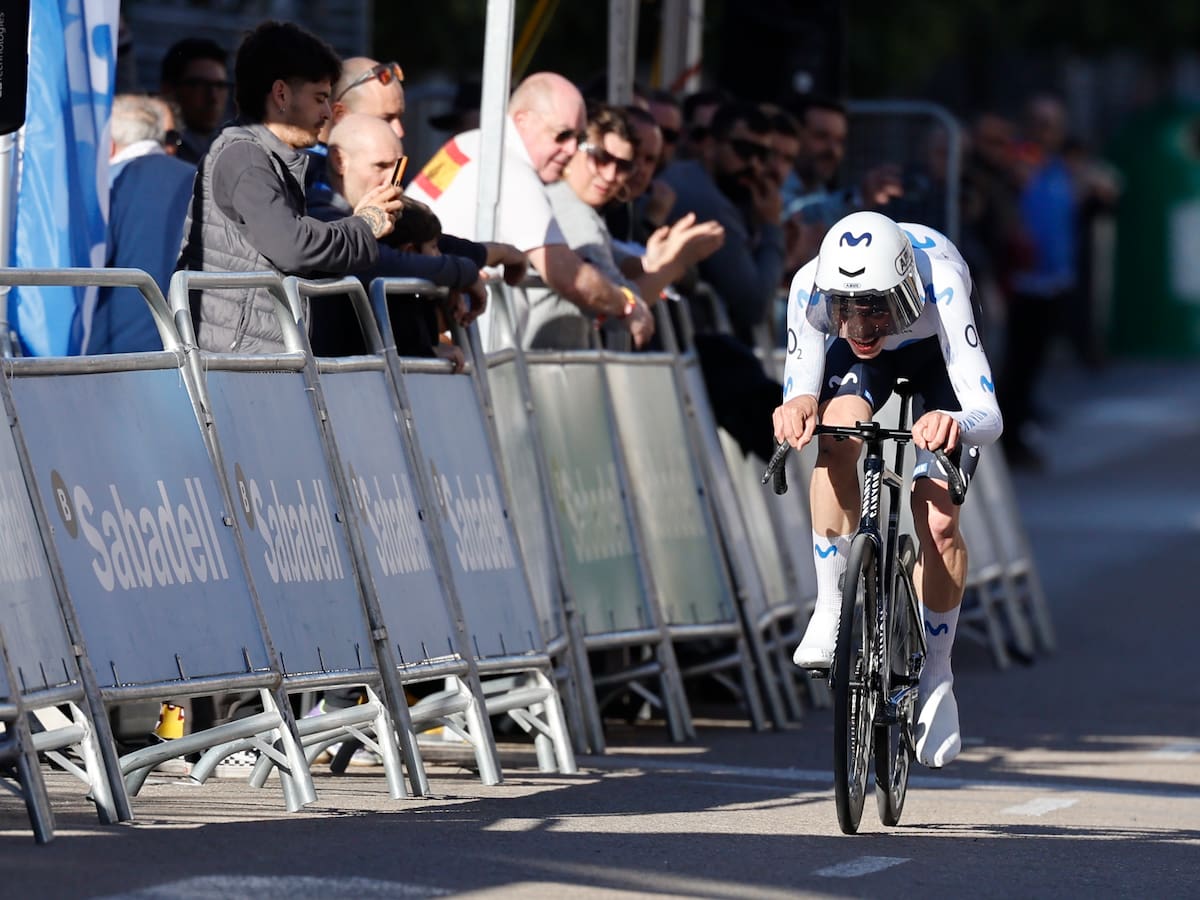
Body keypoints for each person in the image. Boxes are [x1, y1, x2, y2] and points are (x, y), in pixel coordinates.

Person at [773, 211, 1002, 768]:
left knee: (939, 519)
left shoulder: (941, 281)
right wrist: (799, 406)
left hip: (939, 361)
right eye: (845, 311)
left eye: (874, 308)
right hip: (862, 372)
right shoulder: (810, 285)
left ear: (903, 288)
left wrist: (954, 424)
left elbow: (987, 415)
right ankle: (832, 605)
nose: (858, 326)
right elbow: (802, 381)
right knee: (834, 437)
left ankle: (938, 678)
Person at [177, 21, 402, 354]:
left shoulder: (263, 156)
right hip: (234, 366)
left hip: (246, 362)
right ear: (281, 94)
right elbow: (294, 247)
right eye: (320, 98)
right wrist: (365, 225)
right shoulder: (246, 157)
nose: (328, 112)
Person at [406, 71, 653, 351]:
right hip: (450, 346)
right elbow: (566, 273)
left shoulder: (472, 143)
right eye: (562, 135)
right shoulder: (509, 166)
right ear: (522, 120)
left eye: (578, 137)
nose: (572, 149)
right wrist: (627, 305)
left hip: (430, 334)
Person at [306, 113, 524, 355]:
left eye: (398, 168)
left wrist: (497, 253)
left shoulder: (365, 210)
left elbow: (425, 242)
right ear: (339, 161)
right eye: (380, 166)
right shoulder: (317, 214)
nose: (392, 181)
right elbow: (382, 262)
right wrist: (463, 273)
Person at [544, 103, 723, 341]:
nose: (610, 175)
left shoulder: (573, 207)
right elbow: (615, 309)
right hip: (546, 364)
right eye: (601, 158)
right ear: (575, 148)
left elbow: (616, 261)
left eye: (624, 165)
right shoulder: (574, 213)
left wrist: (656, 260)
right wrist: (676, 264)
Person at [89, 94, 196, 354]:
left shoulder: (106, 186)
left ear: (110, 145)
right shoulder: (199, 178)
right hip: (191, 348)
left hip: (109, 353)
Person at [159, 37, 231, 164]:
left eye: (220, 86)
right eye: (200, 85)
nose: (213, 96)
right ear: (169, 90)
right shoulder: (155, 148)